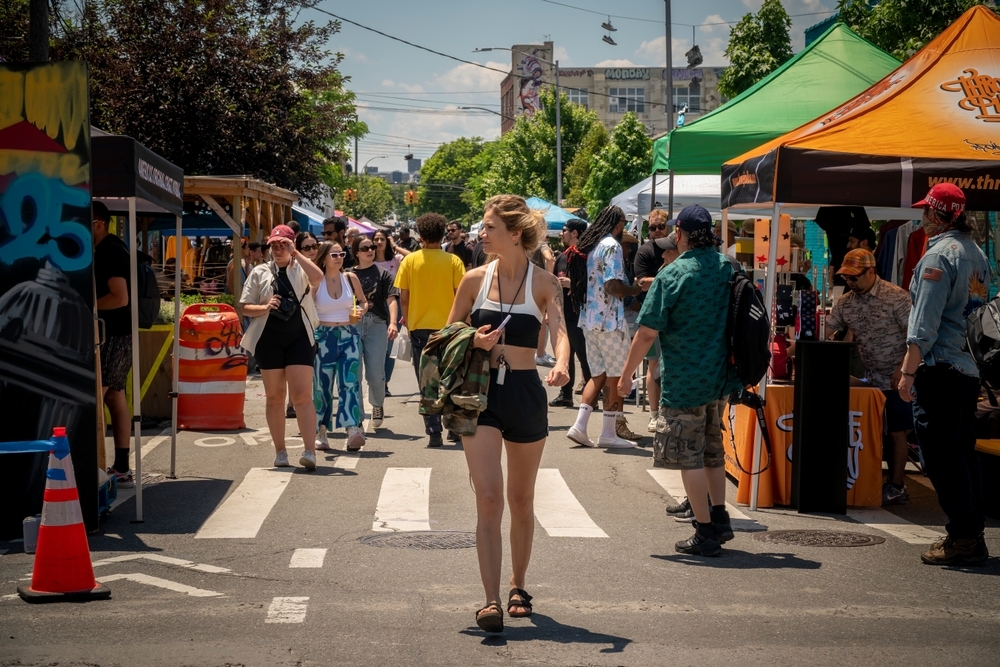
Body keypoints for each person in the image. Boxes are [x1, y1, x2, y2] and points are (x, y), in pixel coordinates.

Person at [446, 194, 569, 634]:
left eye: (489, 227)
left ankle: (519, 584)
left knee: (521, 499)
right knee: (489, 499)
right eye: (483, 226)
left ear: (514, 234)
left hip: (524, 392)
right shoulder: (473, 278)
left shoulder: (544, 282)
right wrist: (470, 341)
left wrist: (561, 363)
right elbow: (446, 332)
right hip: (479, 395)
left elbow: (559, 330)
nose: (482, 233)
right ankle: (491, 599)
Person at [619, 205, 742, 557]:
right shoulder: (728, 268)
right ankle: (720, 519)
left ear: (682, 235)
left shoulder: (673, 274)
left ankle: (705, 532)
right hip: (720, 377)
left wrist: (627, 376)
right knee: (712, 451)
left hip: (685, 380)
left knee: (688, 457)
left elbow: (645, 334)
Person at [898, 183, 991, 566]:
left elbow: (924, 323)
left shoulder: (938, 256)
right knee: (961, 453)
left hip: (941, 369)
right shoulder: (977, 253)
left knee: (939, 456)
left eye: (926, 211)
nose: (922, 217)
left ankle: (964, 536)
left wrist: (907, 371)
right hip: (968, 368)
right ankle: (970, 531)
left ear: (935, 215)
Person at [827, 249, 912, 506]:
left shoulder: (896, 297)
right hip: (871, 377)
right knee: (872, 431)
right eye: (846, 278)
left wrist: (904, 368)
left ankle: (897, 486)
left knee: (897, 432)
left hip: (898, 377)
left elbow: (916, 339)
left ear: (871, 272)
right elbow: (825, 330)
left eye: (855, 277)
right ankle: (868, 478)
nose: (850, 282)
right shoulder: (846, 302)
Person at [239, 224, 324, 470]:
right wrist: (265, 307)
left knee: (302, 396)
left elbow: (318, 278)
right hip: (269, 338)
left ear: (291, 244)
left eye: (282, 244)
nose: (277, 249)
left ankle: (310, 450)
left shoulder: (301, 267)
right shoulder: (259, 272)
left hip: (299, 336)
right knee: (275, 397)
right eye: (274, 245)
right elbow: (245, 306)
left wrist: (296, 253)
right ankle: (281, 451)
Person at [565, 205, 643, 449]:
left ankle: (579, 426)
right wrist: (636, 289)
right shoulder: (612, 246)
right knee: (614, 376)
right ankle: (608, 433)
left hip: (590, 320)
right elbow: (612, 286)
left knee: (597, 375)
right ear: (618, 224)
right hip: (609, 321)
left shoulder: (594, 246)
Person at [394, 213, 466, 446]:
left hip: (420, 328)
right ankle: (453, 427)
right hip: (450, 327)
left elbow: (404, 297)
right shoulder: (454, 261)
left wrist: (407, 322)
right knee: (452, 376)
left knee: (426, 379)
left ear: (421, 236)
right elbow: (461, 296)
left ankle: (433, 430)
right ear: (443, 233)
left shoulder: (410, 261)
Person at [92, 202, 134, 487]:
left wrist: (88, 307)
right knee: (113, 396)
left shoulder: (109, 250)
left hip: (112, 335)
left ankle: (95, 468)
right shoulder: (113, 247)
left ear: (98, 224)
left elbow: (120, 297)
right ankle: (120, 467)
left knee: (99, 397)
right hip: (118, 334)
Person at [312, 241, 369, 451]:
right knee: (321, 387)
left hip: (349, 334)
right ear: (324, 257)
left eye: (341, 254)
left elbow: (363, 301)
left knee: (350, 382)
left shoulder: (350, 278)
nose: (339, 258)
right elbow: (308, 308)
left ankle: (352, 428)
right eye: (334, 254)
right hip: (323, 336)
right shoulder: (316, 281)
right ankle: (321, 430)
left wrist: (361, 310)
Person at [350, 235, 399, 430]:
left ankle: (377, 405)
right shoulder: (348, 275)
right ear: (356, 253)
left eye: (371, 247)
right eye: (365, 248)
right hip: (353, 325)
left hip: (377, 325)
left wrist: (393, 322)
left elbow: (391, 299)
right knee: (354, 375)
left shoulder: (383, 274)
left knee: (375, 374)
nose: (370, 250)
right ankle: (358, 417)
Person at [635, 228, 679, 432]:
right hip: (657, 328)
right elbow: (641, 283)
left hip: (668, 331)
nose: (663, 254)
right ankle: (654, 415)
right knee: (654, 368)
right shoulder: (664, 268)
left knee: (659, 370)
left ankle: (660, 413)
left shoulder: (676, 271)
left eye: (668, 250)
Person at [549, 218, 590, 408]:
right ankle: (566, 394)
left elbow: (595, 285)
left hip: (580, 314)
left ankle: (590, 397)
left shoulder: (586, 256)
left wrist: (572, 283)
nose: (561, 233)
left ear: (575, 233)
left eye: (565, 230)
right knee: (565, 355)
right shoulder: (563, 256)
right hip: (563, 314)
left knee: (584, 355)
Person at [283, 232, 322, 418]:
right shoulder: (294, 265)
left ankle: (309, 402)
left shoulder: (325, 264)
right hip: (302, 322)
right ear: (298, 248)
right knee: (300, 366)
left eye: (315, 246)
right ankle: (293, 402)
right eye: (306, 247)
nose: (312, 250)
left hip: (322, 322)